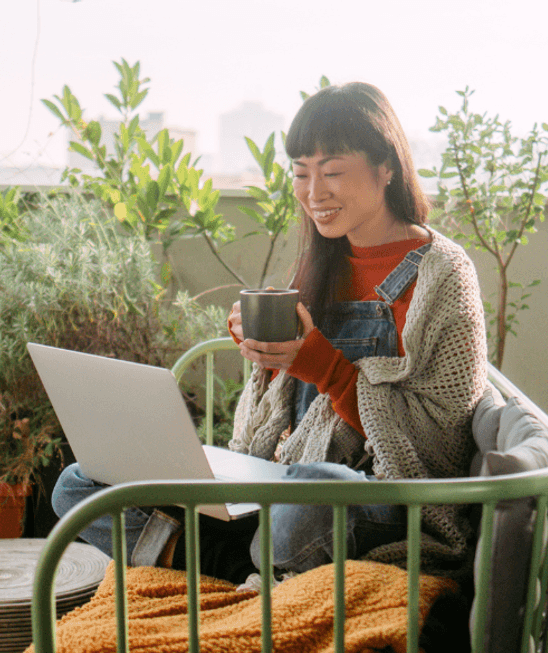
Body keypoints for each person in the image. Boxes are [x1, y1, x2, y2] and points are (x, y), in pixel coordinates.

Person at [52, 82, 488, 583]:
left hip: (385, 499)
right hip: (285, 485)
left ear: (387, 167)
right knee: (79, 485)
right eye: (302, 173)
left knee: (312, 492)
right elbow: (290, 413)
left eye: (333, 172)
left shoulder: (444, 273)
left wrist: (322, 368)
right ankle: (242, 566)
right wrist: (262, 351)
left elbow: (441, 444)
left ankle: (224, 554)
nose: (314, 192)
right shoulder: (322, 262)